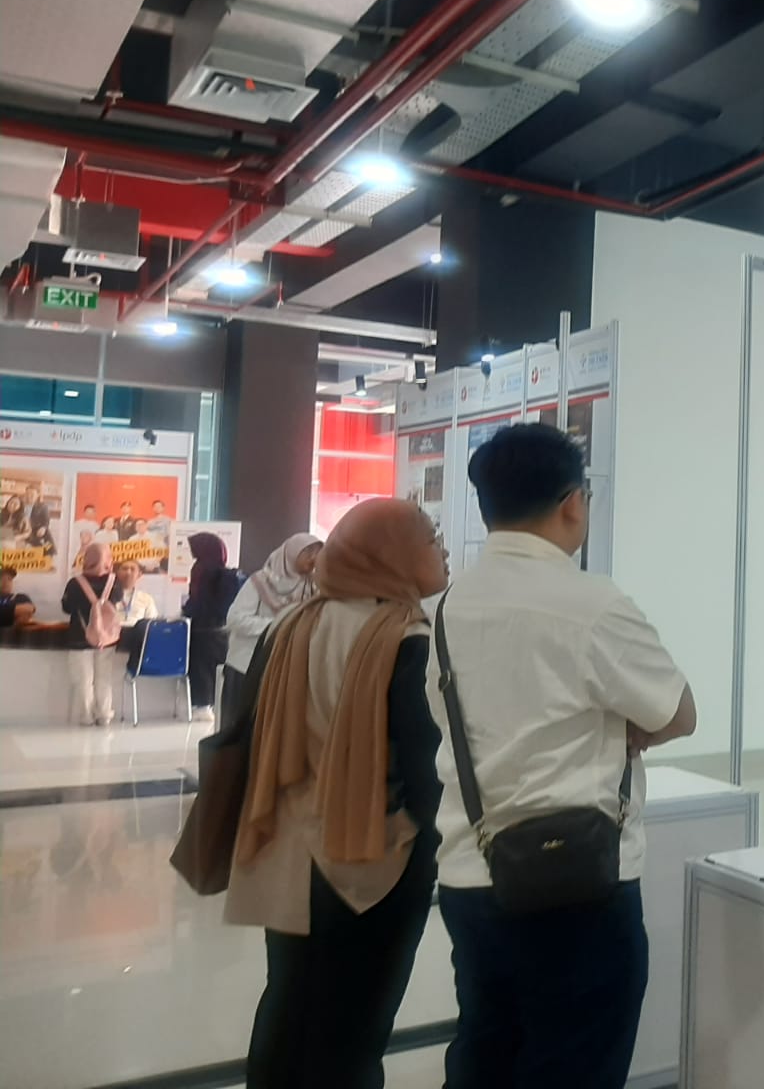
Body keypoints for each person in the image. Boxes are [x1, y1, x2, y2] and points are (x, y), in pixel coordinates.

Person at [431, 423, 696, 1089]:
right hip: (581, 884)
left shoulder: (444, 607)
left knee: (485, 1056)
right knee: (577, 1064)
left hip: (471, 875)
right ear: (573, 503)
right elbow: (677, 713)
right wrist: (629, 728)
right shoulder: (593, 603)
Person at [227, 499, 447, 1089]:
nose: (443, 549)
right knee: (356, 1023)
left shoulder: (293, 624)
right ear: (391, 556)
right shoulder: (405, 638)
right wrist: (434, 845)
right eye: (430, 539)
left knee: (288, 1002)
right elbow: (424, 767)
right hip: (374, 857)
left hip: (289, 849)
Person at [224, 533, 323, 727]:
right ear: (291, 553)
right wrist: (278, 625)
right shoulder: (260, 581)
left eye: (318, 553)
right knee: (242, 728)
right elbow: (235, 619)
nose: (314, 558)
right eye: (308, 552)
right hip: (247, 666)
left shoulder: (312, 584)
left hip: (287, 668)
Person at [63, 543, 124, 725]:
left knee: (84, 680)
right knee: (104, 678)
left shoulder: (75, 583)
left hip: (79, 637)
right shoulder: (115, 582)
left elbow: (67, 608)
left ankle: (86, 716)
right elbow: (117, 602)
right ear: (108, 559)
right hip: (107, 638)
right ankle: (104, 715)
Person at [182, 532, 240, 723]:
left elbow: (198, 600)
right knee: (216, 669)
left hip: (202, 628)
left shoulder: (201, 570)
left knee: (200, 668)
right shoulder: (227, 573)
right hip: (220, 630)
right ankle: (214, 705)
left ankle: (202, 706)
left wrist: (186, 611)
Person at [113, 560, 160, 627]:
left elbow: (151, 623)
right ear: (118, 572)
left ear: (139, 574)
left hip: (137, 632)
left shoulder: (146, 598)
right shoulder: (107, 595)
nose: (128, 572)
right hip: (112, 631)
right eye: (124, 569)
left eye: (132, 569)